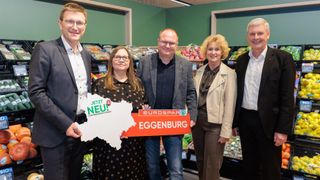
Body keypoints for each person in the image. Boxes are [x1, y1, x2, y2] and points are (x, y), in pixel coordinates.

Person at [28, 3, 91, 180]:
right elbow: (36, 92)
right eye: (70, 21)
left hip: (80, 131)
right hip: (54, 133)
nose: (75, 27)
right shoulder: (45, 49)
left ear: (85, 26)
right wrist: (65, 124)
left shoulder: (85, 54)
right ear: (60, 23)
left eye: (80, 23)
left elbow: (84, 92)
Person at [232, 18, 296, 180]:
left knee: (271, 168)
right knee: (249, 165)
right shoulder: (241, 60)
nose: (256, 37)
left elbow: (287, 97)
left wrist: (283, 130)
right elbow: (237, 95)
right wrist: (235, 123)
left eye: (260, 33)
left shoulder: (283, 59)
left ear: (268, 35)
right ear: (248, 37)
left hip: (270, 122)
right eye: (252, 34)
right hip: (246, 120)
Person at [138, 28, 197, 180]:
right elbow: (137, 88)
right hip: (150, 121)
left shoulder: (185, 64)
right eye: (164, 42)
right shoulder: (145, 62)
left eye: (171, 43)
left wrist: (192, 115)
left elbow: (190, 92)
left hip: (174, 122)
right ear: (158, 42)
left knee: (176, 168)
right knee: (151, 165)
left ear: (176, 45)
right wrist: (140, 105)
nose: (167, 45)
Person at [91, 46, 147, 179]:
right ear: (111, 61)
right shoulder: (100, 84)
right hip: (109, 144)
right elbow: (93, 115)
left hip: (134, 145)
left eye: (125, 57)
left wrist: (146, 112)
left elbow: (144, 106)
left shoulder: (138, 84)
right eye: (117, 57)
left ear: (129, 61)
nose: (121, 60)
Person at [192, 34, 237, 180]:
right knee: (200, 160)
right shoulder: (199, 71)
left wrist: (226, 131)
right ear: (206, 51)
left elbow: (230, 104)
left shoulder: (229, 74)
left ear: (222, 52)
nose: (213, 52)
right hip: (198, 122)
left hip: (215, 125)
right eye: (210, 49)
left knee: (212, 163)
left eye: (217, 49)